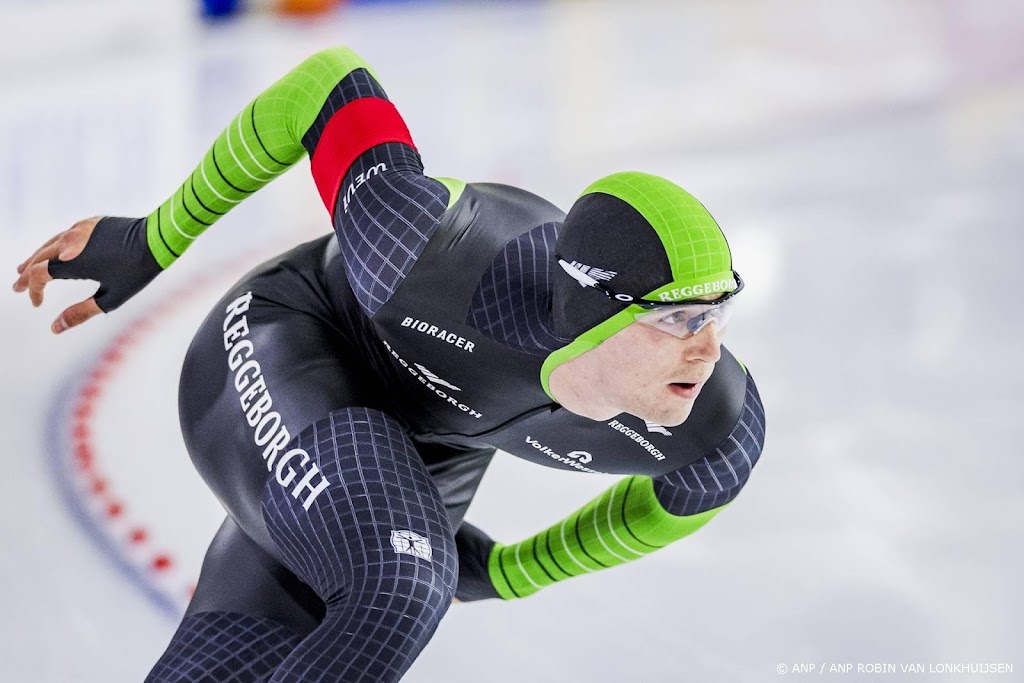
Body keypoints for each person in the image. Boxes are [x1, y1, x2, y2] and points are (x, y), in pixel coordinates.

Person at [13, 46, 766, 682]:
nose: (707, 347)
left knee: (233, 661)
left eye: (719, 311)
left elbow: (683, 503)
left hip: (423, 450)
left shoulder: (715, 428)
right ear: (592, 311)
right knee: (400, 578)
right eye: (677, 318)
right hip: (296, 341)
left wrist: (510, 572)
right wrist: (154, 237)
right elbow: (325, 86)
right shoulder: (431, 250)